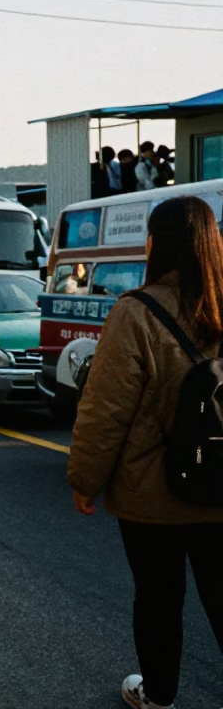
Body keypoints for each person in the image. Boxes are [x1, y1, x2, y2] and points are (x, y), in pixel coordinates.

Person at [68, 195, 223, 709]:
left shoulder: (136, 311)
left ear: (156, 244)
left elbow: (106, 408)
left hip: (152, 492)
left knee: (159, 600)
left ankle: (158, 697)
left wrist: (85, 478)